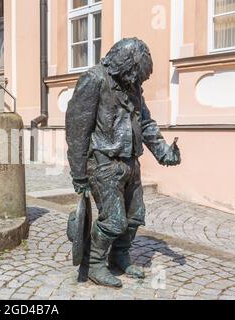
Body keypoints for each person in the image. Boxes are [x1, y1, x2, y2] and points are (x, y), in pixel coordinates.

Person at [66, 38, 181, 288]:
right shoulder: (94, 79)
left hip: (131, 162)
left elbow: (146, 122)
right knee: (113, 220)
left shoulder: (132, 85)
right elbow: (77, 129)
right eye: (135, 76)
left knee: (135, 216)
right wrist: (78, 174)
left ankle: (119, 255)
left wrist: (163, 151)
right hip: (103, 163)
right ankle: (95, 264)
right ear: (126, 66)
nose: (138, 82)